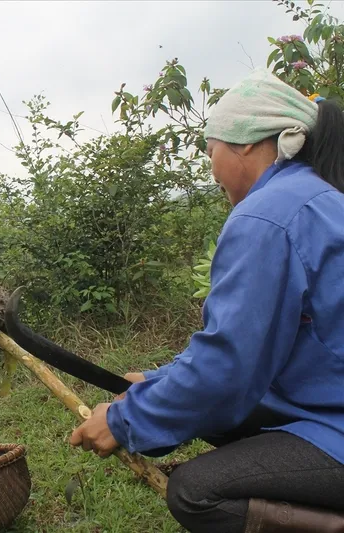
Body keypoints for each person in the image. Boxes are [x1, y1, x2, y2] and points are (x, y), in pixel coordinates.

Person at [69, 68, 344, 533]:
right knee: (206, 419)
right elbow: (251, 345)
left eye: (210, 149)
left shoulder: (266, 216)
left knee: (196, 492)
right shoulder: (317, 197)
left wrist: (124, 421)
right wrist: (156, 381)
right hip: (326, 398)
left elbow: (229, 369)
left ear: (245, 144)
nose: (209, 166)